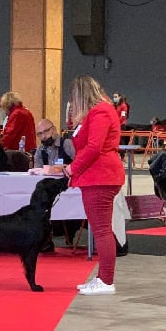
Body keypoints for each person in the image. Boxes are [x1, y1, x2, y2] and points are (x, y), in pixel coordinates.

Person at [64, 75, 125, 295]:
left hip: (100, 176)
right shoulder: (98, 113)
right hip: (100, 176)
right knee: (102, 229)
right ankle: (102, 278)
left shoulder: (100, 112)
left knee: (101, 230)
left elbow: (93, 148)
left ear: (81, 95)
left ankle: (106, 281)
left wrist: (72, 168)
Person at [34, 118, 79, 250]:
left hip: (69, 188)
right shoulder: (40, 150)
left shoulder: (67, 144)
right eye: (40, 134)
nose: (43, 136)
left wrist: (68, 167)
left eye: (46, 132)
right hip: (50, 191)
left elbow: (80, 162)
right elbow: (37, 170)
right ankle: (44, 240)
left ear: (53, 129)